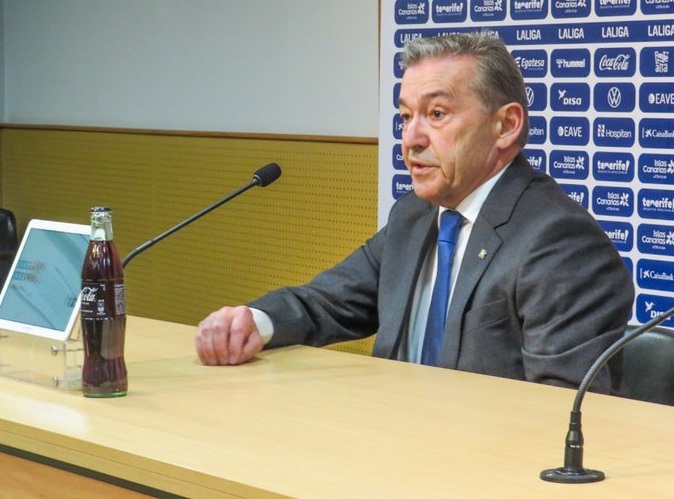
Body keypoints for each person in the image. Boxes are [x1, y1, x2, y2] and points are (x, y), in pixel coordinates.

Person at [195, 32, 634, 393]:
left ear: (506, 125)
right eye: (406, 117)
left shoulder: (559, 241)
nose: (412, 139)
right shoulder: (416, 214)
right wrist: (253, 322)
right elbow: (328, 302)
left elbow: (562, 410)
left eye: (437, 114)